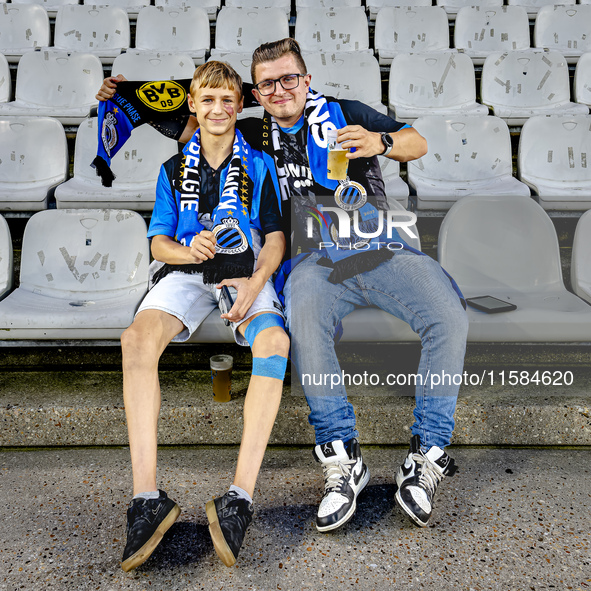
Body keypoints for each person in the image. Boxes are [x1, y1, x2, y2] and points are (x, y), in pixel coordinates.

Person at [97, 39, 468, 535]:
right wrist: (124, 97)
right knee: (304, 315)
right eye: (267, 82)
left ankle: (427, 452)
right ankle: (342, 458)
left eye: (288, 78)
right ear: (258, 92)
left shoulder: (344, 113)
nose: (279, 89)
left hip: (379, 242)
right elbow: (199, 127)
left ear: (306, 80)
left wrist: (380, 143)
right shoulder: (252, 132)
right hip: (313, 256)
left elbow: (418, 142)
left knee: (446, 310)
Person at [116, 61, 289, 572]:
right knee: (135, 340)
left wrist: (256, 283)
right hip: (191, 274)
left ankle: (239, 498)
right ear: (193, 104)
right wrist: (186, 250)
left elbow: (275, 238)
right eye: (207, 100)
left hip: (244, 272)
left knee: (275, 344)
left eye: (227, 100)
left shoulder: (258, 164)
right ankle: (147, 499)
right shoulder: (172, 171)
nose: (218, 109)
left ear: (240, 107)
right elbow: (158, 244)